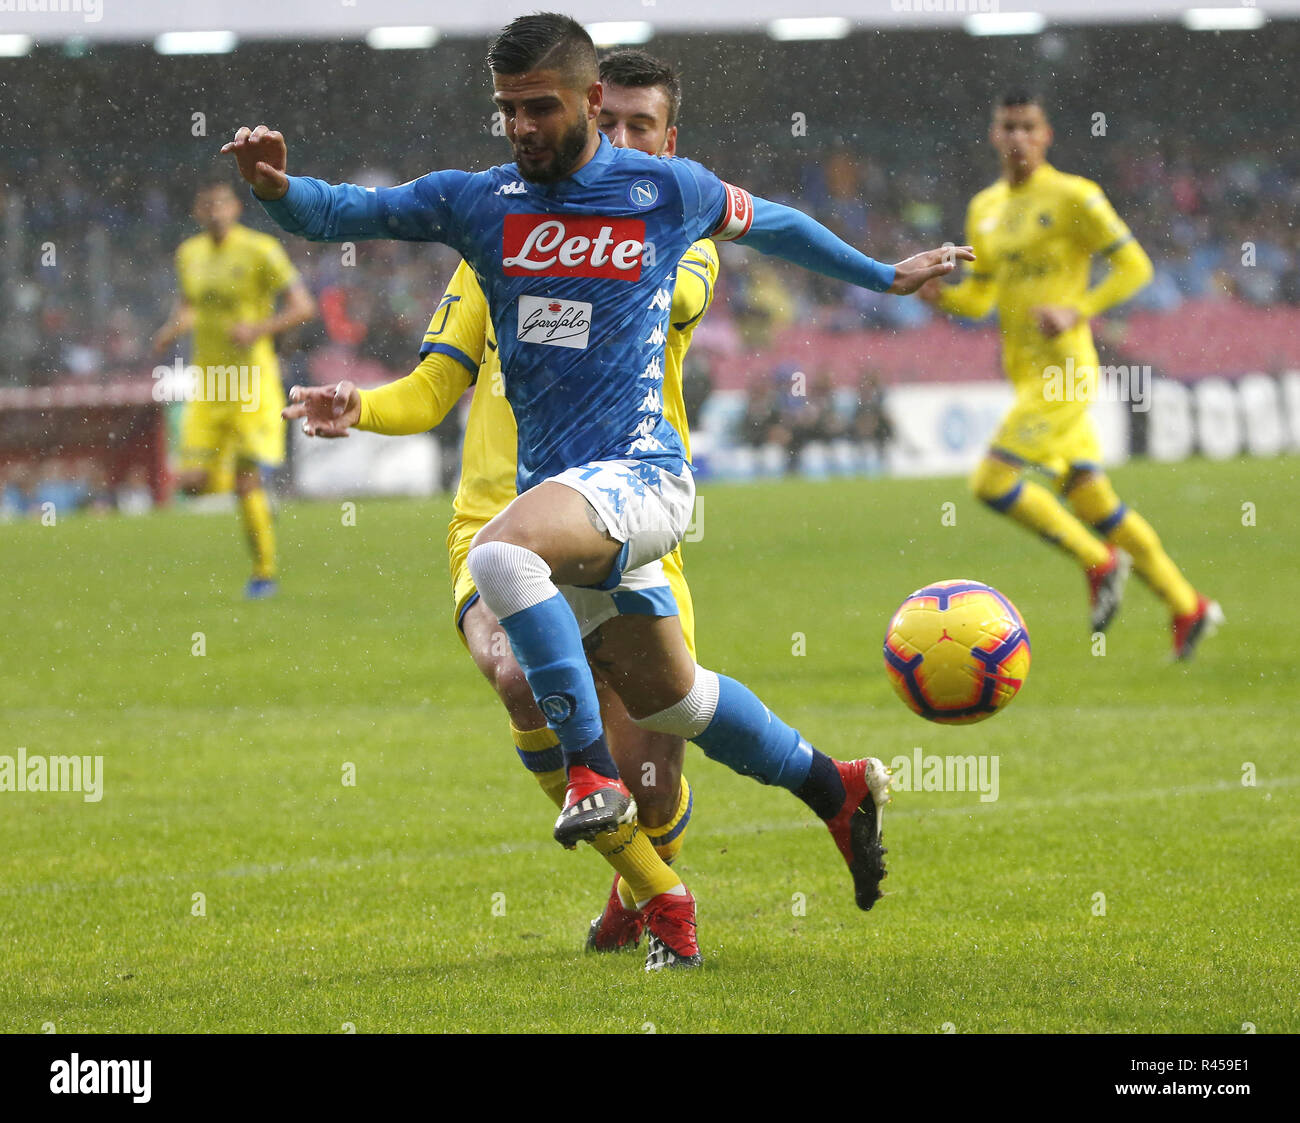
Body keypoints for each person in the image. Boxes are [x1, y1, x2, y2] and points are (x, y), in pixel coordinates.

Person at [225, 12, 970, 967]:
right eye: (507, 111)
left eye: (540, 108)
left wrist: (880, 274)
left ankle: (588, 776)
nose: (523, 127)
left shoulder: (664, 192)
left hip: (642, 478)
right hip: (566, 503)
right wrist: (277, 189)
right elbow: (344, 212)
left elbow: (772, 222)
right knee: (676, 703)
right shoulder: (478, 203)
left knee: (500, 553)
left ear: (586, 102)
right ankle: (839, 789)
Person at [285, 49, 719, 968]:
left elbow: (671, 288)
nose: (625, 141)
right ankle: (658, 893)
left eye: (645, 130)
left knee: (657, 758)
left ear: (668, 145)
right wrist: (362, 405)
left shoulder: (678, 234)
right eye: (616, 124)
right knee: (522, 678)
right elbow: (433, 388)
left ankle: (635, 882)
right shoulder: (499, 243)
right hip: (498, 513)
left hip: (622, 507)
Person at [920, 92, 1220, 659]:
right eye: (1007, 126)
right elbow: (982, 297)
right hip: (1024, 373)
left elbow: (1137, 266)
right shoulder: (984, 208)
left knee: (990, 482)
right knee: (1095, 505)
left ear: (1046, 134)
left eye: (1027, 126)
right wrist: (942, 298)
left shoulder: (1074, 196)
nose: (1017, 137)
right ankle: (1188, 606)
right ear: (993, 135)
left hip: (1065, 372)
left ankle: (1099, 563)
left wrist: (1078, 309)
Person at [152, 179, 316, 598]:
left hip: (250, 382)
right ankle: (258, 498)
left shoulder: (261, 250)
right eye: (206, 205)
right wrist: (174, 327)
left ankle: (264, 574)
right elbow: (191, 302)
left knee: (245, 479)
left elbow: (303, 306)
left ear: (235, 208)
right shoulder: (188, 254)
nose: (215, 212)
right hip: (207, 383)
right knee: (189, 482)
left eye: (221, 203)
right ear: (197, 213)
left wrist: (260, 328)